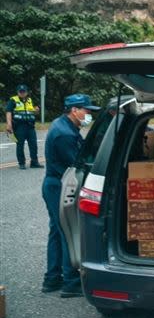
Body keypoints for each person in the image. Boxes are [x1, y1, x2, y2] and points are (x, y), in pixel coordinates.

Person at [42, 94, 100, 296]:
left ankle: (52, 279)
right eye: (87, 110)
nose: (89, 114)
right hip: (60, 186)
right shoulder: (65, 134)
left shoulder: (64, 126)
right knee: (68, 231)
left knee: (57, 231)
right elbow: (77, 164)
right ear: (74, 110)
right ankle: (71, 282)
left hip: (56, 184)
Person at [6, 84, 43, 169]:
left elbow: (32, 112)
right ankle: (21, 163)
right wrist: (9, 124)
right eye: (20, 91)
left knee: (33, 145)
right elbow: (8, 112)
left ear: (27, 92)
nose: (22, 93)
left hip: (30, 126)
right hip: (19, 126)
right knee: (20, 145)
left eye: (24, 91)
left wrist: (36, 110)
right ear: (18, 92)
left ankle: (34, 162)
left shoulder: (29, 100)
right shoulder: (13, 100)